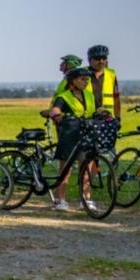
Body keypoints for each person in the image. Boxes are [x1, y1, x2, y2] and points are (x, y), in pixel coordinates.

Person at [43, 62, 98, 211]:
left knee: (86, 167)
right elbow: (55, 110)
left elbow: (94, 110)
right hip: (70, 134)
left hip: (87, 133)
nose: (85, 82)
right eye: (82, 79)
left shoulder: (89, 95)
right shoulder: (64, 97)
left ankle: (86, 199)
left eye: (87, 80)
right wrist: (56, 116)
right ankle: (61, 200)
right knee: (66, 169)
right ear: (73, 81)